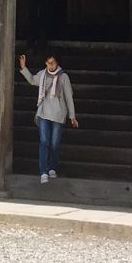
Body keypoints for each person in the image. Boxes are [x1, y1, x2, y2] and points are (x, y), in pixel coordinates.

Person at [19, 52, 78, 182]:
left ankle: (52, 168)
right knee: (44, 142)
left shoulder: (64, 77)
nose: (50, 65)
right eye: (48, 63)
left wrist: (72, 116)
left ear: (57, 63)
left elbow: (69, 97)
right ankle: (43, 171)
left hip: (58, 114)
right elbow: (32, 80)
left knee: (54, 143)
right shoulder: (42, 74)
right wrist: (24, 68)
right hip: (43, 113)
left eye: (52, 62)